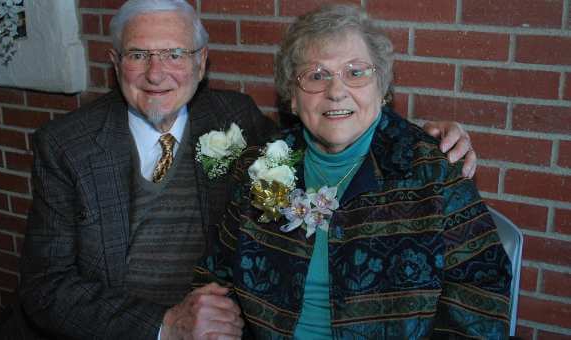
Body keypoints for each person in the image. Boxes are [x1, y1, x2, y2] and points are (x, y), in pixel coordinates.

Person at [0, 0, 475, 339]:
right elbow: (45, 287)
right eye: (139, 55)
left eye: (175, 54)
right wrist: (163, 328)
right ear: (115, 63)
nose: (157, 73)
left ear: (201, 62)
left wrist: (424, 137)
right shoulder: (68, 145)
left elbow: (335, 124)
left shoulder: (236, 118)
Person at [193, 4, 512, 339]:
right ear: (292, 99)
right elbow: (218, 276)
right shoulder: (263, 166)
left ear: (382, 88)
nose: (335, 91)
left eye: (355, 72)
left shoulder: (431, 171)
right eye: (316, 75)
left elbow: (481, 293)